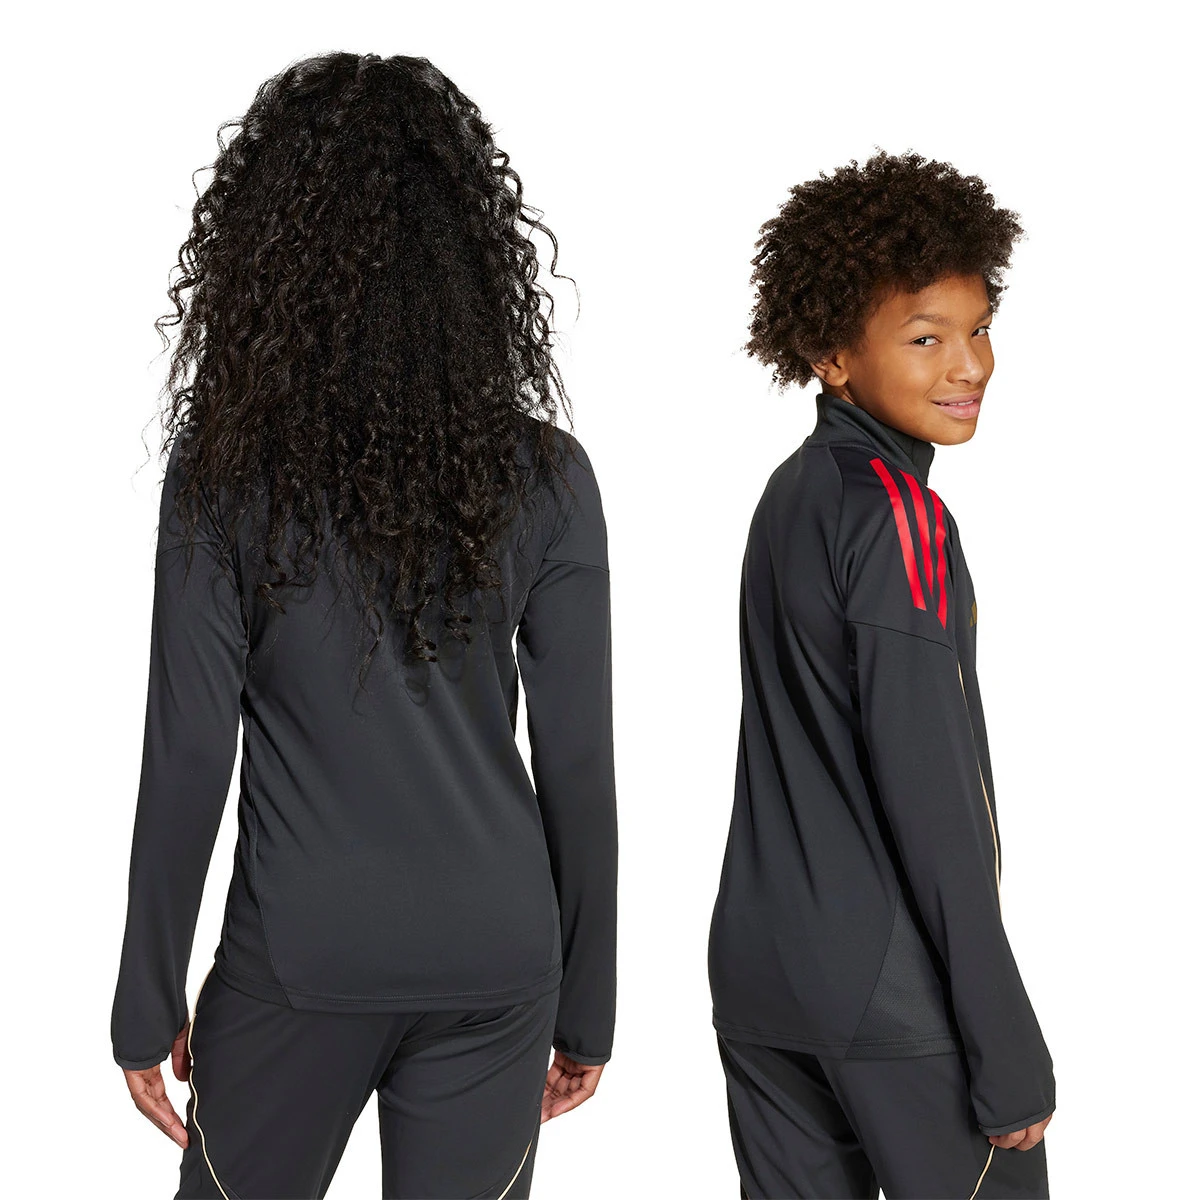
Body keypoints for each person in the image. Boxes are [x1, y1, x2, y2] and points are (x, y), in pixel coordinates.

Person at [110, 52, 617, 1200]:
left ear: (265, 255)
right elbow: (578, 762)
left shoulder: (224, 476)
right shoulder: (547, 475)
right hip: (497, 960)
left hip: (301, 955)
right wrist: (589, 1002)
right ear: (472, 255)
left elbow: (190, 749)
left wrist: (145, 997)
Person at [707, 149, 1055, 1199]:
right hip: (893, 999)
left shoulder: (792, 493)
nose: (969, 366)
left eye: (980, 328)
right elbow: (930, 788)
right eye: (925, 337)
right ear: (830, 353)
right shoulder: (901, 517)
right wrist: (1003, 1037)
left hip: (764, 979)